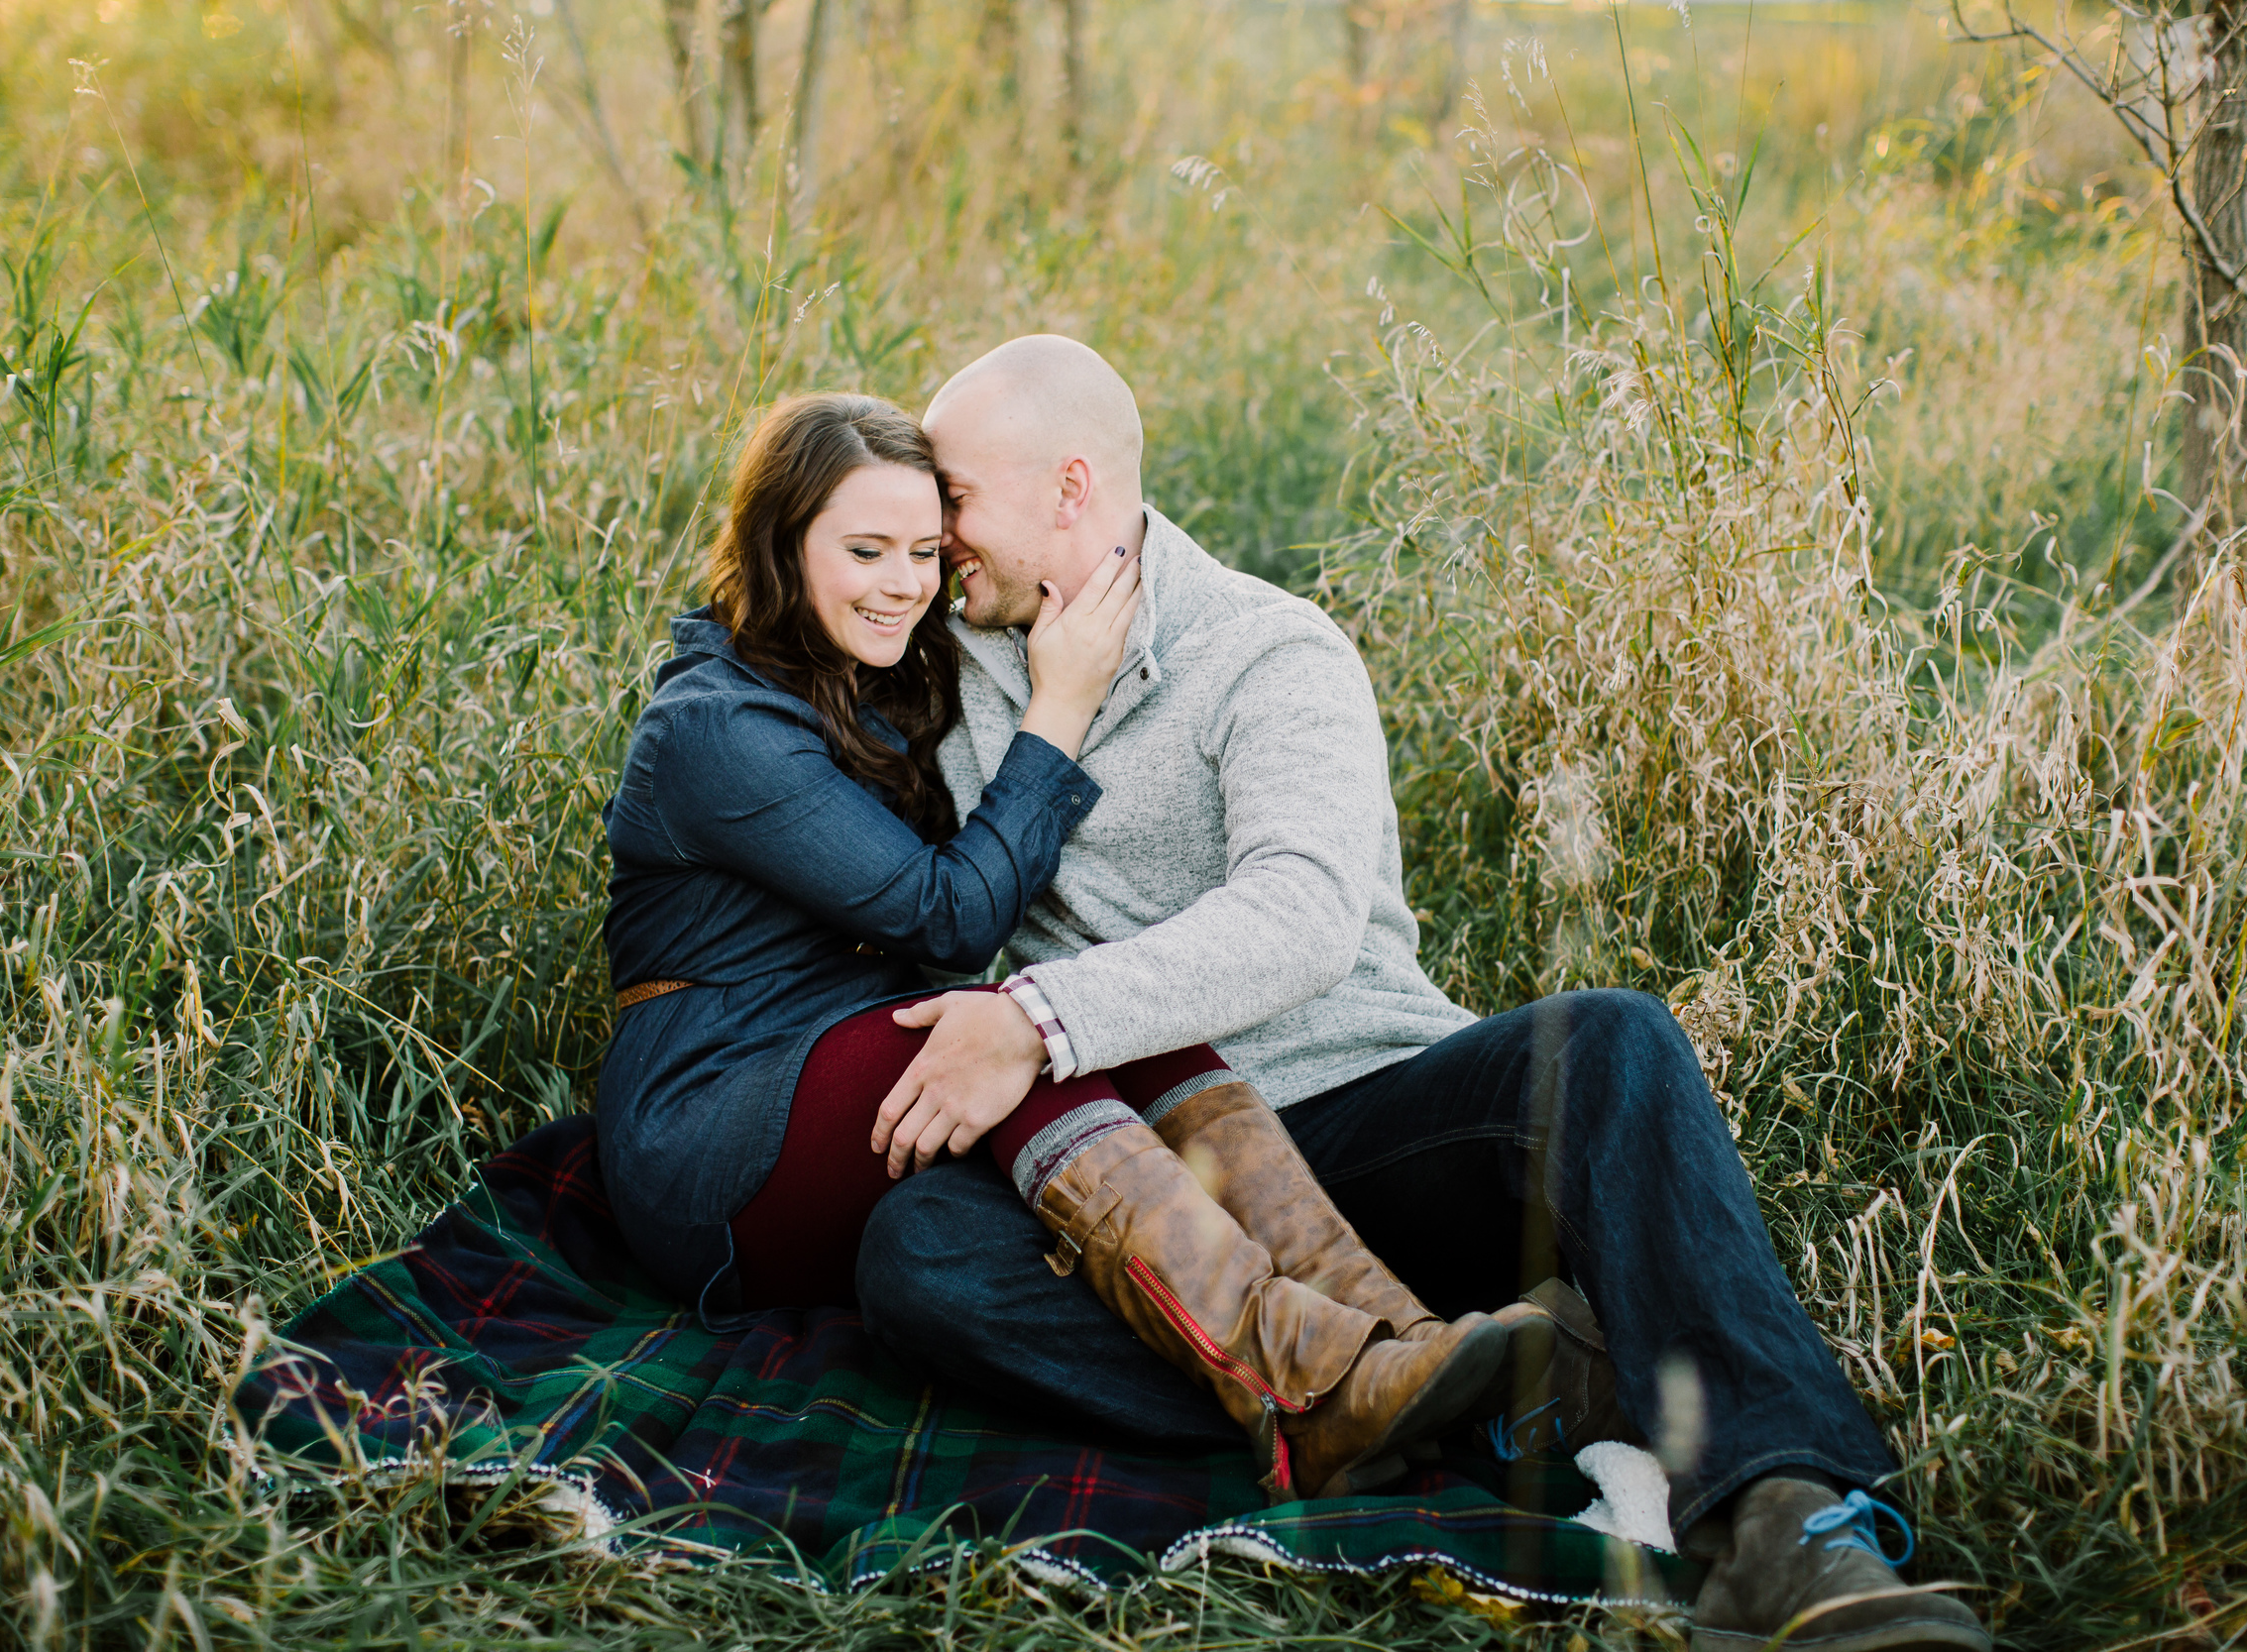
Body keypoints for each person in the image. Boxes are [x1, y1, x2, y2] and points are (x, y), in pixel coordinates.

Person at [848, 339, 1994, 1652]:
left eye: (952, 493)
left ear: (1068, 489)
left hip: (1348, 1122)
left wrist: (1040, 1016)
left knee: (1609, 1040)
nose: (928, 532)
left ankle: (1794, 1519)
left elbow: (1305, 916)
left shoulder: (1268, 652)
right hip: (1121, 1181)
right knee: (918, 1254)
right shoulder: (933, 664)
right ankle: (1456, 1394)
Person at [595, 390, 1514, 1504]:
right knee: (1005, 1028)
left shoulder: (862, 680)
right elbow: (950, 918)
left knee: (1089, 1013)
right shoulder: (714, 728)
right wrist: (1064, 704)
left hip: (836, 1083)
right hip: (713, 1122)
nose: (904, 582)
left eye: (928, 550)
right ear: (779, 543)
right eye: (866, 549)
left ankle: (1389, 1340)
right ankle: (1300, 1384)